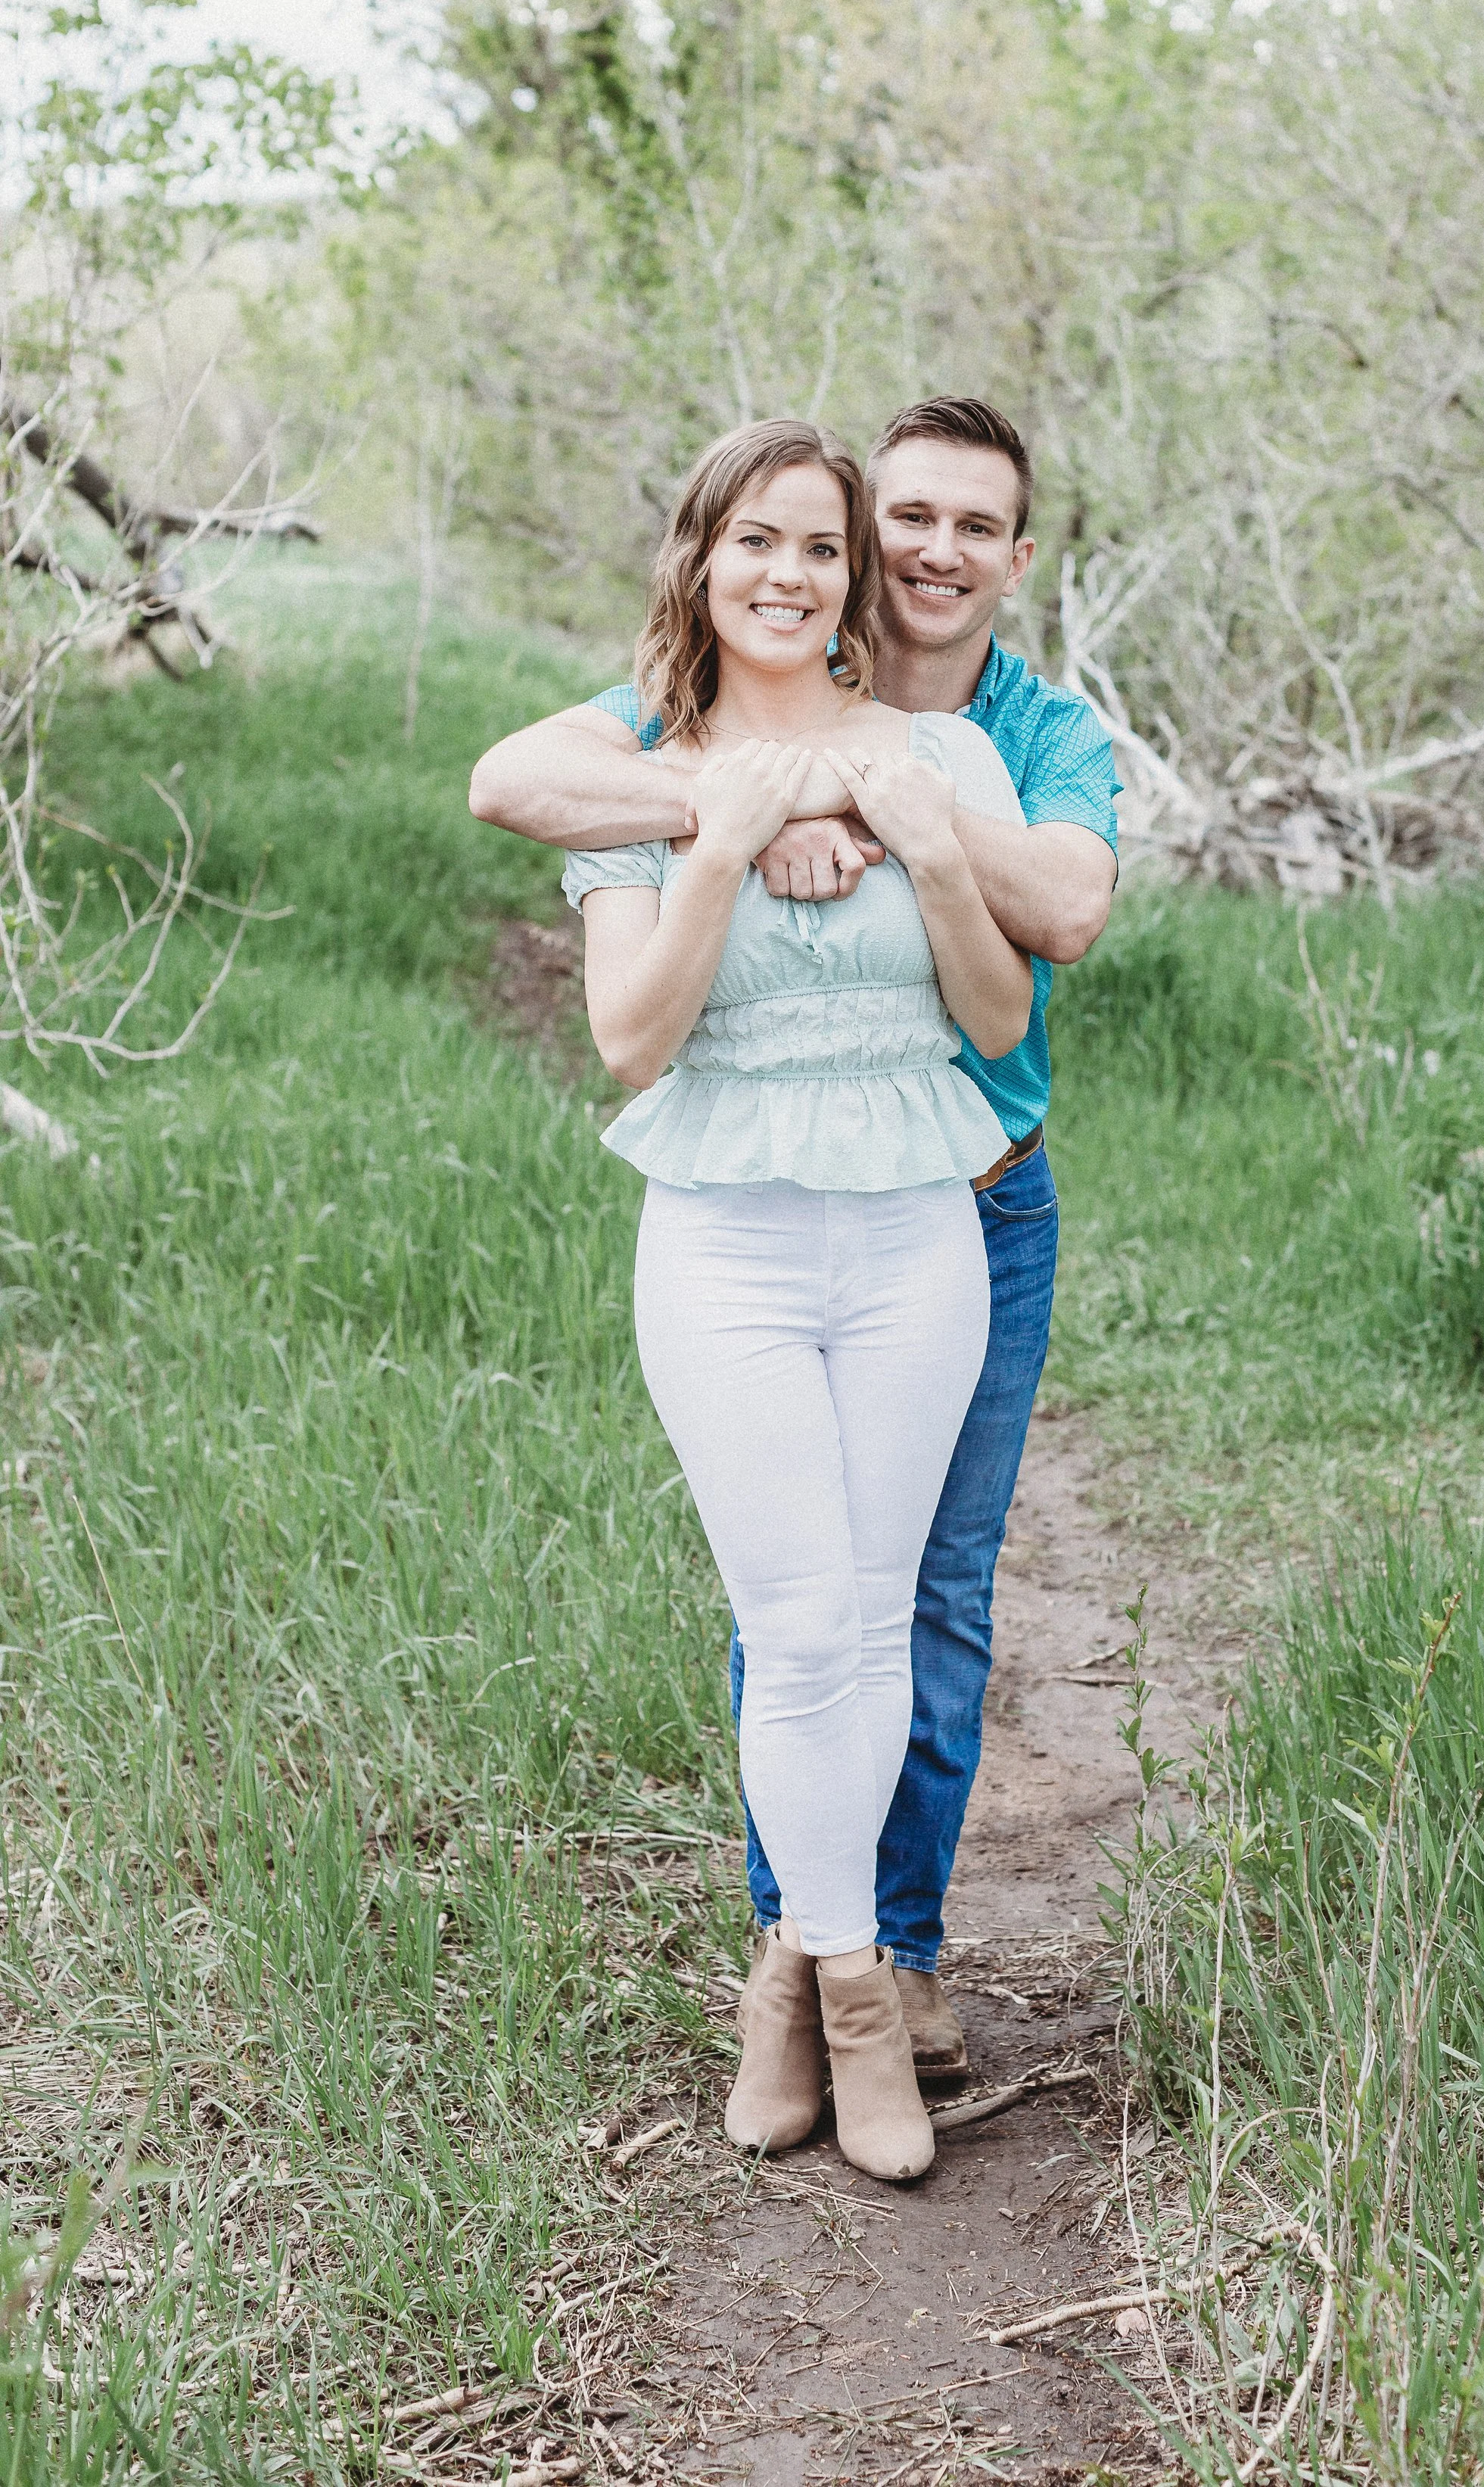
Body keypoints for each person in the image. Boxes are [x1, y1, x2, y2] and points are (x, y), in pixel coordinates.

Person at [471, 397, 1120, 2087]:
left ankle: (890, 1957)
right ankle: (807, 1956)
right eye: (895, 520)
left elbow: (1057, 918)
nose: (926, 553)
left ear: (1013, 558)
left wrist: (897, 810)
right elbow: (519, 784)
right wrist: (732, 813)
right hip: (745, 1208)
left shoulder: (1012, 737)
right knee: (798, 1610)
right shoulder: (678, 729)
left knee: (929, 1598)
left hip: (969, 1192)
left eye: (969, 529)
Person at [559, 414, 1034, 2179]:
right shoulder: (648, 765)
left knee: (878, 1604)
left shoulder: (929, 753)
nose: (788, 573)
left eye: (819, 549)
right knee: (800, 1621)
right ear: (700, 558)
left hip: (914, 1235)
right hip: (726, 1243)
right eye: (754, 540)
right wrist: (721, 841)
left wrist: (913, 843)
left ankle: (804, 1971)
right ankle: (837, 1993)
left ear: (850, 584)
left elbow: (993, 1018)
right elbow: (628, 1036)